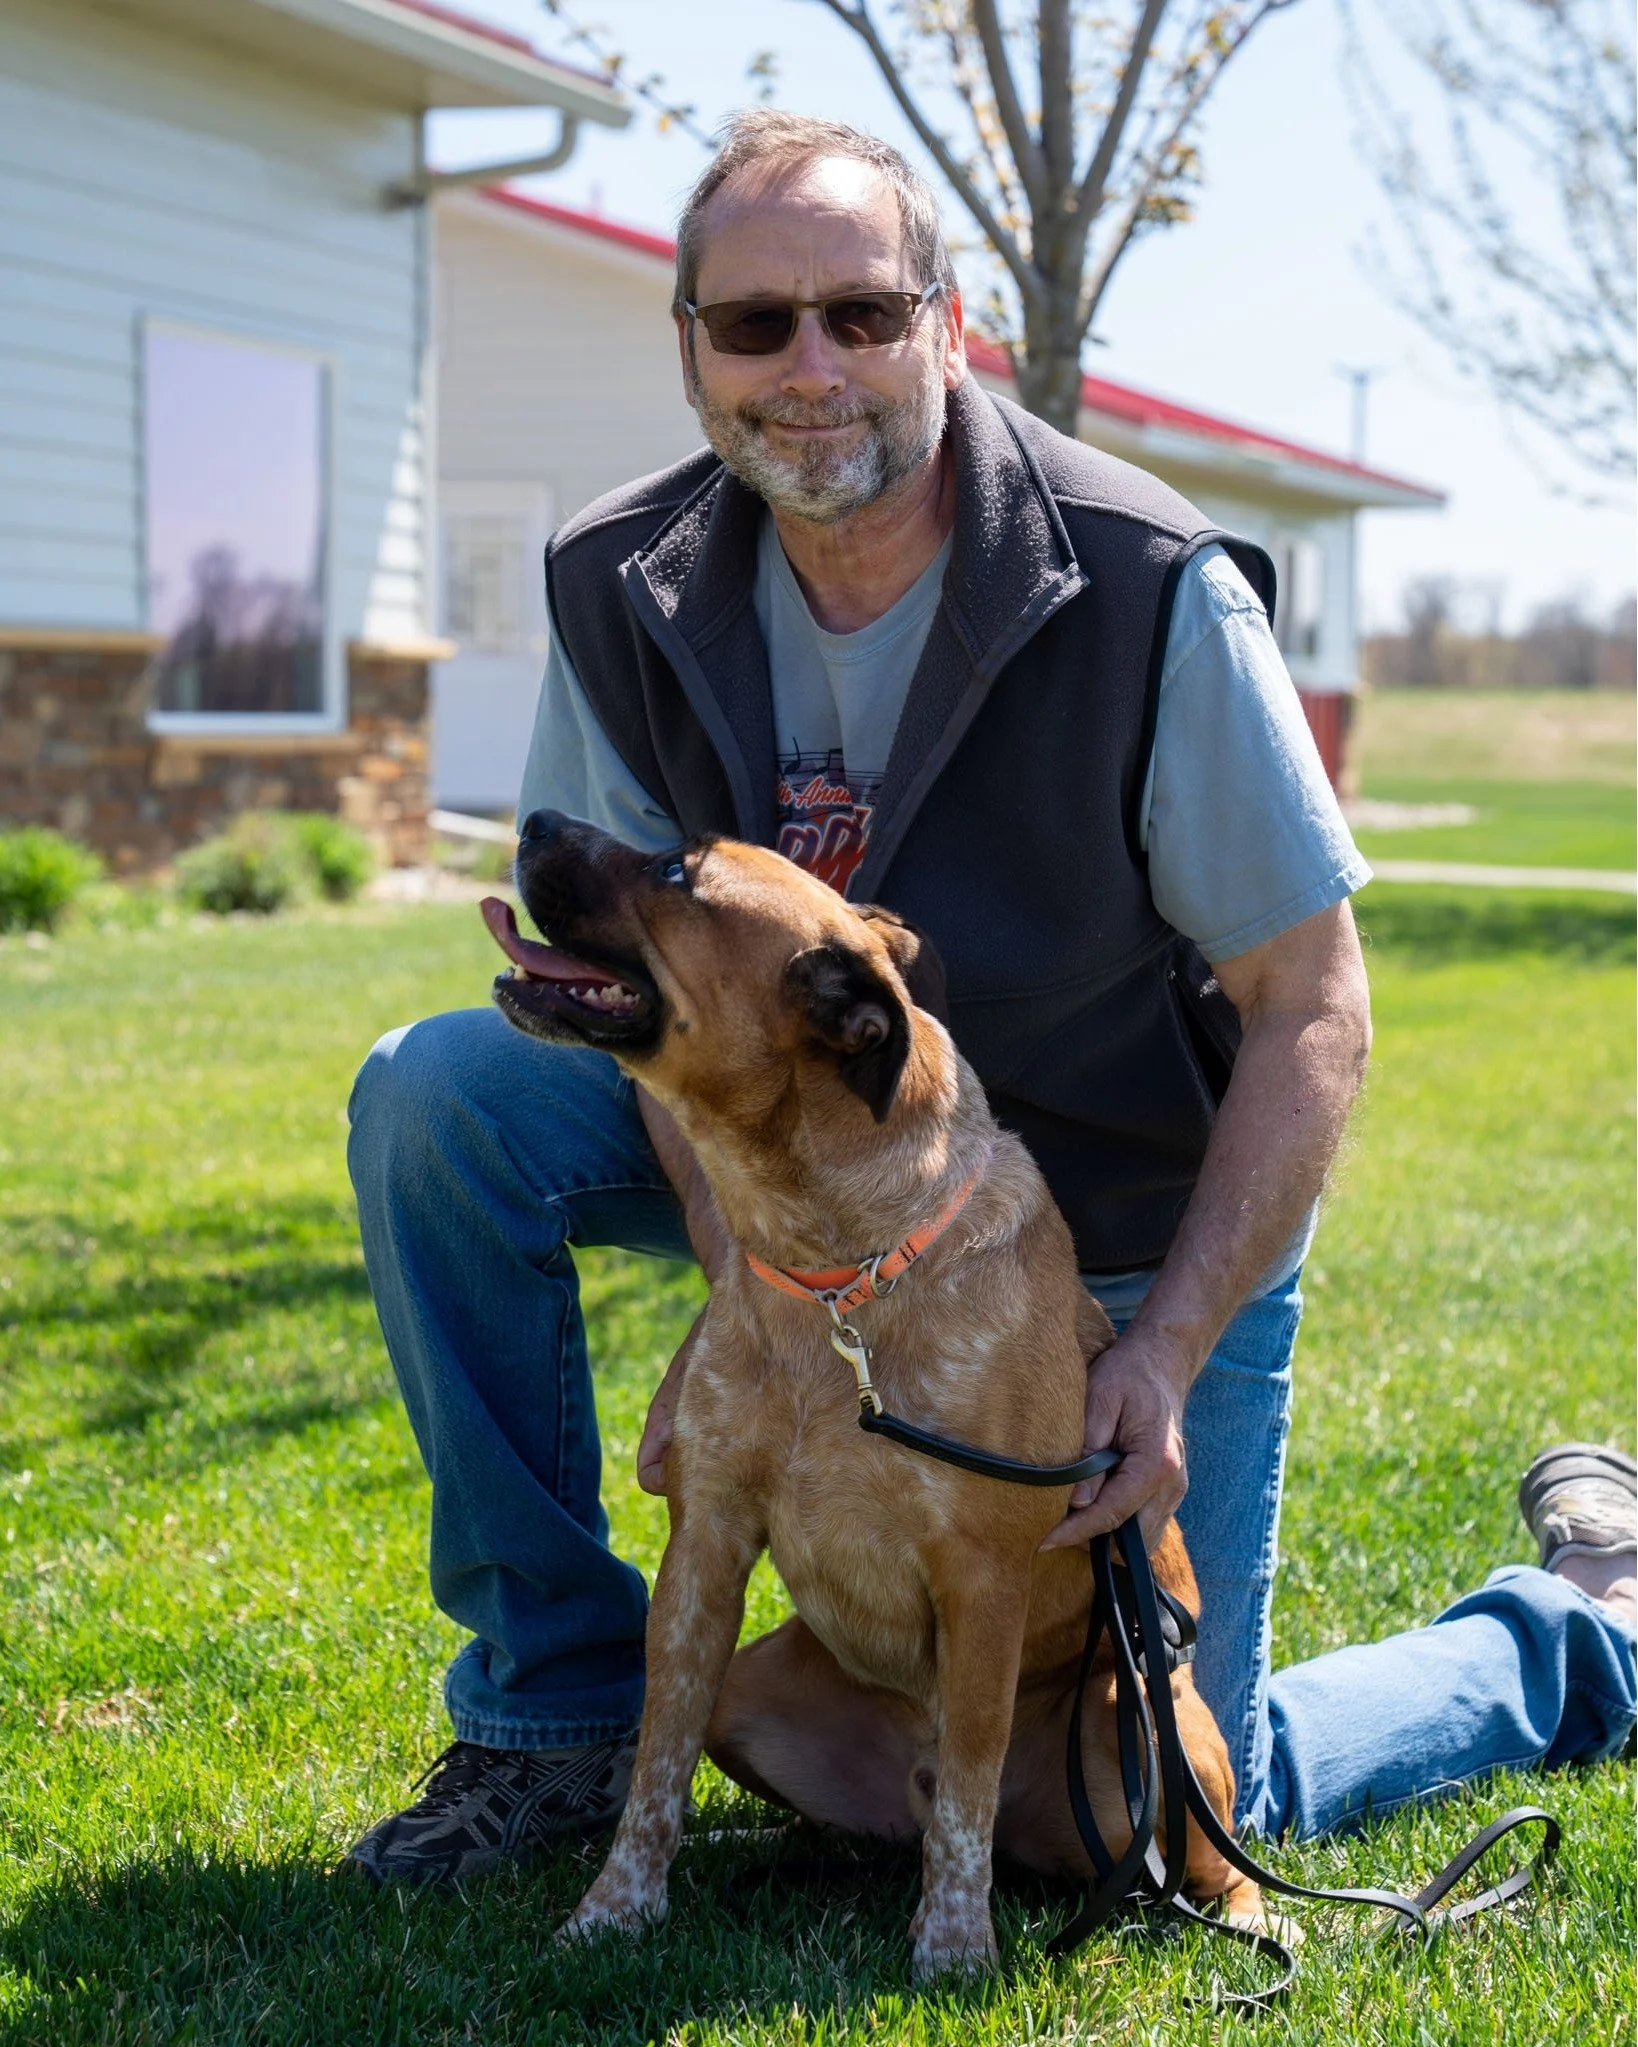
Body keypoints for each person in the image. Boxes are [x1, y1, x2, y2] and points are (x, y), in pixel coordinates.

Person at [342, 112, 1635, 1886]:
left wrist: (1166, 1344)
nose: (813, 367)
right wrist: (747, 1312)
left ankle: (1576, 1623)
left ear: (947, 327)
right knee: (438, 1096)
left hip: (1108, 1221)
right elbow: (642, 993)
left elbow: (1310, 1003)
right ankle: (553, 1724)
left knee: (1163, 1817)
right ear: (691, 352)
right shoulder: (617, 582)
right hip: (789, 1172)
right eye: (757, 324)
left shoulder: (1143, 589)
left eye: (863, 315)